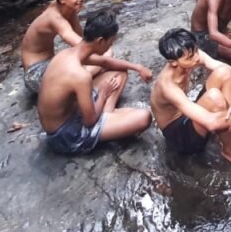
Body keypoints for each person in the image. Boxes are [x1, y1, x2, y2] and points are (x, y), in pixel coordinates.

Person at [37, 9, 153, 155]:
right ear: (100, 41)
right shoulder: (80, 76)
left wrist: (138, 67)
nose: (110, 46)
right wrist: (103, 93)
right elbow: (89, 121)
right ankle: (107, 119)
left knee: (119, 74)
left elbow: (105, 61)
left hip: (73, 113)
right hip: (67, 136)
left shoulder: (67, 54)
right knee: (144, 117)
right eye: (110, 41)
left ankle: (107, 115)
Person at [151, 28, 231, 171]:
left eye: (195, 51)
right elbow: (211, 123)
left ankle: (230, 137)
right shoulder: (167, 87)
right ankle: (230, 149)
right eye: (189, 58)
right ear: (173, 62)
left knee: (224, 73)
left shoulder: (192, 54)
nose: (196, 58)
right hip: (180, 136)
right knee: (214, 97)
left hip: (188, 113)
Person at [21, 0, 88, 94]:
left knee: (90, 62)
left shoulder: (65, 6)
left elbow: (79, 36)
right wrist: (98, 52)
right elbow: (70, 36)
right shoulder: (53, 17)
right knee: (95, 65)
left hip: (50, 64)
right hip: (35, 73)